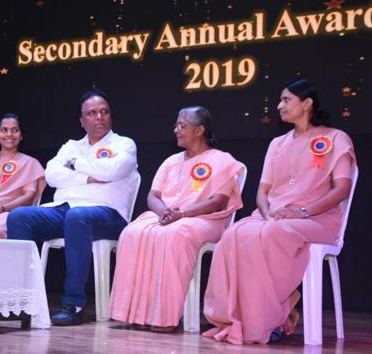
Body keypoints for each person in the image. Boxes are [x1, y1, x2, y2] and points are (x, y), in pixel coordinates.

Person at [203, 79, 357, 344]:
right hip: (275, 216)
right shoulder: (277, 144)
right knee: (233, 235)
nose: (279, 106)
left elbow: (342, 188)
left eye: (286, 100)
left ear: (307, 104)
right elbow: (263, 191)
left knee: (271, 233)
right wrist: (266, 212)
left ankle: (272, 316)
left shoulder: (336, 138)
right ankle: (253, 316)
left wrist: (304, 211)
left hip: (318, 219)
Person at [7, 89, 139, 326]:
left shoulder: (124, 144)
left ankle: (73, 304)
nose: (99, 117)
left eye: (104, 112)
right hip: (66, 209)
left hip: (108, 214)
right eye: (92, 113)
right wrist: (87, 177)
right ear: (82, 120)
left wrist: (76, 165)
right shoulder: (71, 145)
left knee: (77, 217)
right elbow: (51, 174)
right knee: (19, 217)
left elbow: (115, 170)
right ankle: (22, 301)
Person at [109, 106, 244, 332]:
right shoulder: (171, 161)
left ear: (200, 130)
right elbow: (153, 195)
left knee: (175, 234)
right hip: (167, 216)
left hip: (206, 219)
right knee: (131, 232)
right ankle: (134, 313)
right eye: (176, 125)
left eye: (182, 126)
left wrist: (181, 214)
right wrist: (163, 212)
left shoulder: (222, 160)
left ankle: (164, 317)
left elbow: (218, 201)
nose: (176, 130)